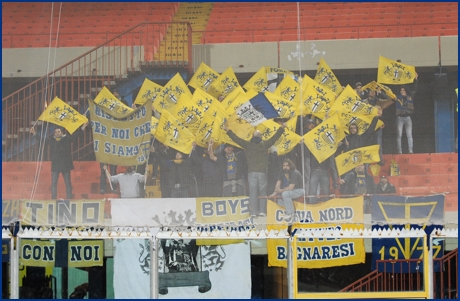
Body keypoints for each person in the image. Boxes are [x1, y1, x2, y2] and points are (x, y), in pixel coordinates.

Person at [224, 122, 285, 217]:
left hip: (251, 172)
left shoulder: (248, 145)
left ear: (252, 137)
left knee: (253, 193)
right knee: (263, 192)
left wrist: (228, 131)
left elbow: (236, 139)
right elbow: (274, 138)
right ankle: (262, 212)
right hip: (262, 172)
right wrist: (281, 128)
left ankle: (253, 212)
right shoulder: (265, 144)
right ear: (260, 137)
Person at [30, 123, 88, 199]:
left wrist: (83, 127)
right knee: (53, 184)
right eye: (55, 132)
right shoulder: (52, 140)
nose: (57, 133)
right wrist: (34, 133)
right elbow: (42, 140)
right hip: (56, 165)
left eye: (58, 131)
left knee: (68, 183)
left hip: (65, 165)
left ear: (62, 133)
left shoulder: (66, 138)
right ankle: (54, 199)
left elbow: (76, 136)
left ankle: (69, 199)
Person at [269, 159, 304, 223]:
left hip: (300, 190)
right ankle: (291, 215)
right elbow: (278, 182)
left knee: (285, 194)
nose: (285, 167)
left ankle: (290, 213)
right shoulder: (282, 172)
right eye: (284, 165)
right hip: (290, 191)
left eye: (287, 165)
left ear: (290, 166)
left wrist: (280, 191)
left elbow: (291, 187)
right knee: (281, 196)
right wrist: (275, 192)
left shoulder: (294, 172)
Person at [395, 73, 418, 154]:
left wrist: (416, 80)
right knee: (399, 135)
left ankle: (410, 150)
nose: (402, 91)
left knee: (409, 135)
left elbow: (415, 89)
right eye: (401, 90)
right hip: (400, 118)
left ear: (406, 91)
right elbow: (389, 96)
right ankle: (399, 151)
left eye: (403, 90)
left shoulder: (410, 96)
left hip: (408, 117)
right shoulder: (397, 98)